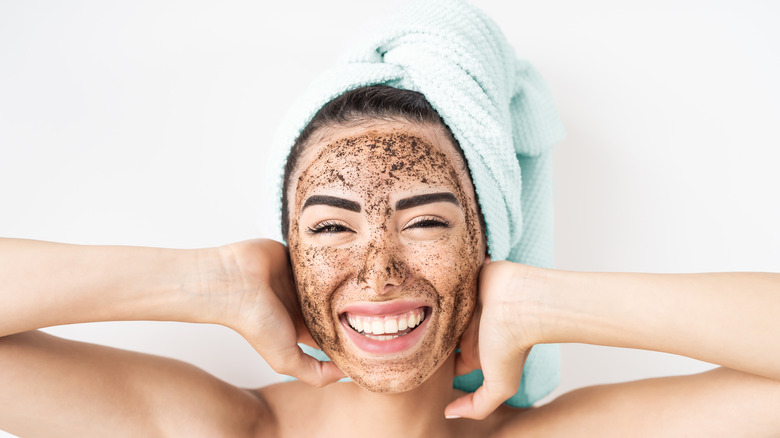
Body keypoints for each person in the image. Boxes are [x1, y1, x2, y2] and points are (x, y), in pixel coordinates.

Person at [1, 84, 780, 438]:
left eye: (427, 221)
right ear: (288, 261)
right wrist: (205, 283)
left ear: (486, 242)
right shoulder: (208, 429)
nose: (379, 274)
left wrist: (540, 305)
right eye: (331, 229)